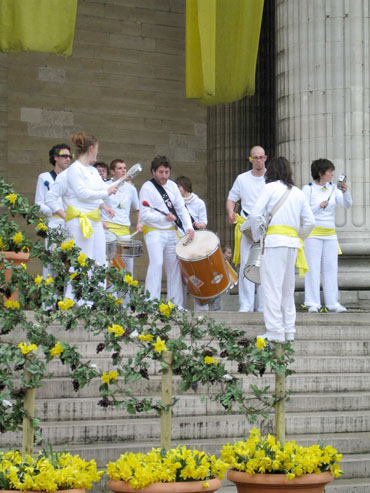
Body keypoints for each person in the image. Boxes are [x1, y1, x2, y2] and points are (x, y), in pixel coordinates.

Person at [250, 157, 315, 342]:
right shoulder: (298, 192)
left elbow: (255, 215)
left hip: (274, 242)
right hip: (292, 243)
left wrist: (257, 236)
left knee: (271, 288)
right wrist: (299, 236)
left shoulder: (269, 188)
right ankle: (288, 329)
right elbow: (310, 222)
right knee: (287, 289)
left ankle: (275, 331)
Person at [139, 155, 194, 308]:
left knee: (174, 267)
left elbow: (181, 208)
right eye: (161, 172)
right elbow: (144, 215)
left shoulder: (172, 187)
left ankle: (175, 305)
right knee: (156, 263)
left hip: (171, 232)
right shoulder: (147, 188)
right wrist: (164, 218)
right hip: (154, 231)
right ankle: (151, 303)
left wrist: (189, 226)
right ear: (153, 171)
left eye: (167, 172)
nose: (164, 176)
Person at [302, 159, 352, 313]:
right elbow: (303, 211)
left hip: (330, 234)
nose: (332, 174)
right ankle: (312, 302)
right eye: (329, 171)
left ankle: (332, 303)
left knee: (331, 268)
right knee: (312, 268)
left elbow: (347, 204)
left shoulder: (333, 189)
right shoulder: (308, 189)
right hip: (313, 234)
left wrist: (345, 192)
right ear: (320, 173)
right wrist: (319, 206)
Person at [63, 131, 118, 268]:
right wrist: (106, 192)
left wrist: (115, 186)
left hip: (94, 218)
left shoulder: (93, 171)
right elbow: (82, 193)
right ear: (91, 148)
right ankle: (77, 290)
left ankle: (98, 289)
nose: (97, 153)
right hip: (80, 219)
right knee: (82, 262)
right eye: (97, 149)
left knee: (100, 261)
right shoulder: (75, 169)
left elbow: (99, 190)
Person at [226, 146, 266, 312]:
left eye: (260, 157)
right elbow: (231, 199)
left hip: (265, 226)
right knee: (245, 265)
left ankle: (263, 305)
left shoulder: (271, 178)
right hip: (246, 225)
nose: (258, 161)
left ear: (265, 158)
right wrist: (230, 212)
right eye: (255, 158)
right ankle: (246, 305)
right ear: (250, 159)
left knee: (264, 265)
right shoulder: (242, 179)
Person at [34, 143, 72, 278]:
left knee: (70, 264)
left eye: (70, 156)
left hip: (70, 224)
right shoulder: (44, 177)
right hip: (53, 224)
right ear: (56, 157)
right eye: (64, 156)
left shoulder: (71, 179)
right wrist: (54, 211)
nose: (68, 159)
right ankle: (49, 298)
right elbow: (38, 203)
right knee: (51, 263)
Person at [101, 159, 142, 277]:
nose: (124, 170)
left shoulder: (131, 189)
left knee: (127, 267)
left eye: (125, 168)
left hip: (124, 231)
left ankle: (127, 296)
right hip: (108, 231)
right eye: (120, 168)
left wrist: (139, 222)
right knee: (107, 266)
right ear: (112, 171)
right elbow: (96, 204)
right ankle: (108, 295)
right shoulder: (106, 186)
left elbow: (138, 208)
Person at [175, 175, 208, 310]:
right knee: (179, 273)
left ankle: (201, 307)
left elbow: (204, 223)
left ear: (185, 186)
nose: (176, 189)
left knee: (196, 274)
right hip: (179, 240)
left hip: (195, 241)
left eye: (178, 187)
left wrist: (198, 225)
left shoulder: (199, 203)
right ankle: (179, 305)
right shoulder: (176, 202)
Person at [211, 245, 233, 311]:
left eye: (231, 253)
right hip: (221, 284)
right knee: (219, 297)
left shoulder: (226, 261)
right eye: (228, 253)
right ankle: (216, 309)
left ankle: (222, 309)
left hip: (226, 283)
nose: (230, 255)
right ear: (223, 253)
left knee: (225, 296)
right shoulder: (221, 261)